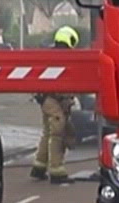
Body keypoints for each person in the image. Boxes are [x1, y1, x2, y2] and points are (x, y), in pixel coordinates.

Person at [30, 25, 81, 184]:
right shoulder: (61, 57)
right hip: (53, 100)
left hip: (45, 99)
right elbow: (63, 83)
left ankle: (39, 166)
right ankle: (56, 170)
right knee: (57, 133)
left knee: (48, 132)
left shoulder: (50, 54)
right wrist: (67, 100)